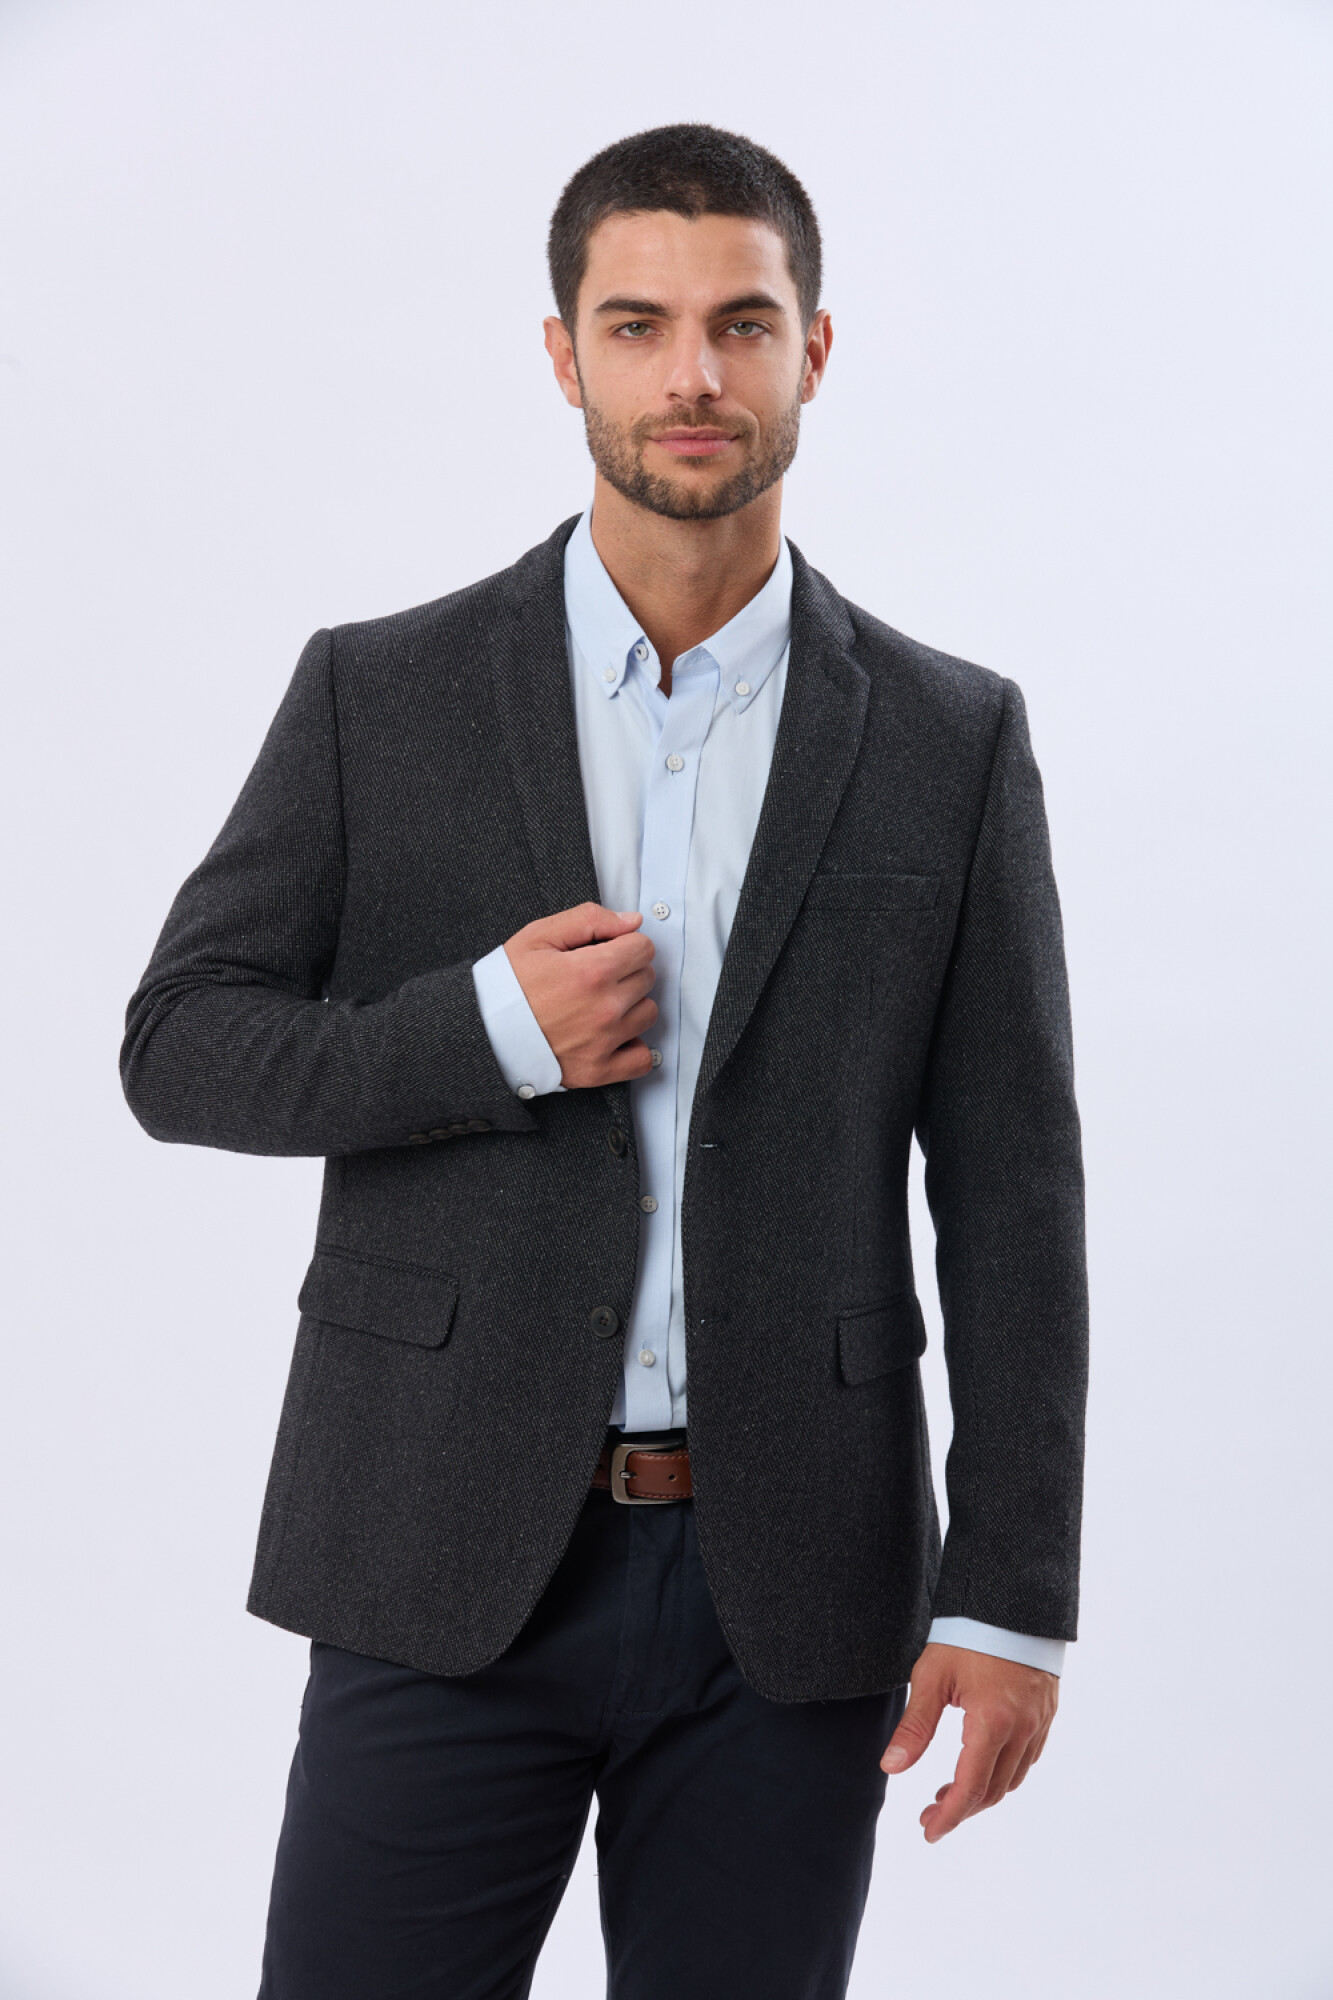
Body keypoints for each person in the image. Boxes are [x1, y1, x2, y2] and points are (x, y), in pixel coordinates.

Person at [122, 122, 1088, 2000]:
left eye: (742, 323)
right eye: (637, 326)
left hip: (792, 1588)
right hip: (433, 1551)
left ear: (814, 349)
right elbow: (180, 1048)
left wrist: (1009, 1594)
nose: (692, 375)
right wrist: (487, 1027)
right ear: (564, 355)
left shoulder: (949, 737)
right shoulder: (378, 694)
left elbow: (1014, 1194)